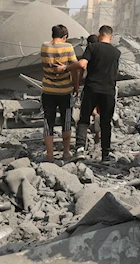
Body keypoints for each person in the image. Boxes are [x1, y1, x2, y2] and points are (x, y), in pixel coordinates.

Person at [57, 25, 121, 164]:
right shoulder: (116, 52)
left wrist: (66, 68)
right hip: (108, 91)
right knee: (105, 122)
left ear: (99, 34)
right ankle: (105, 155)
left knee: (84, 120)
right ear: (111, 36)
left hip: (92, 88)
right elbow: (116, 71)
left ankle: (79, 149)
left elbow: (82, 65)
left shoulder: (92, 48)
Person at [40, 24, 80, 162]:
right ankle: (66, 152)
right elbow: (75, 68)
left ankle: (49, 155)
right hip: (65, 91)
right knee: (66, 121)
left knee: (48, 122)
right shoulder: (68, 47)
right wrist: (76, 86)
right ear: (64, 37)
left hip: (48, 91)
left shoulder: (44, 46)